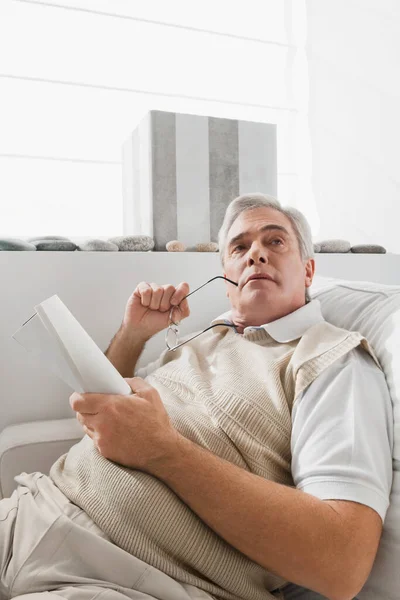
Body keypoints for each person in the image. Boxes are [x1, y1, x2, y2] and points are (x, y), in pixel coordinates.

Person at [0, 194, 393, 600]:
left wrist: (162, 450)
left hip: (123, 577)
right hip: (27, 512)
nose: (255, 253)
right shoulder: (202, 337)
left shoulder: (329, 359)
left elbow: (342, 563)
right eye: (239, 247)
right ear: (226, 279)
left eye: (274, 242)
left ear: (308, 270)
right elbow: (113, 413)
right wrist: (134, 334)